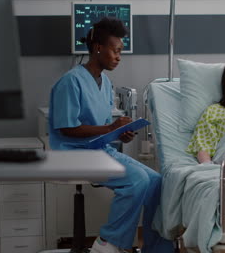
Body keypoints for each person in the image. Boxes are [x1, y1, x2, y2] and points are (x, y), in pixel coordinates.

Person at [48, 17, 173, 253]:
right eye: (115, 51)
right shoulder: (71, 82)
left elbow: (102, 127)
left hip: (98, 150)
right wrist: (110, 128)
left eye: (120, 52)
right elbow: (67, 128)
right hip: (72, 154)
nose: (118, 57)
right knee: (137, 180)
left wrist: (119, 133)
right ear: (98, 47)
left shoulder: (105, 83)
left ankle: (156, 249)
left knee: (156, 181)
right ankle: (108, 242)